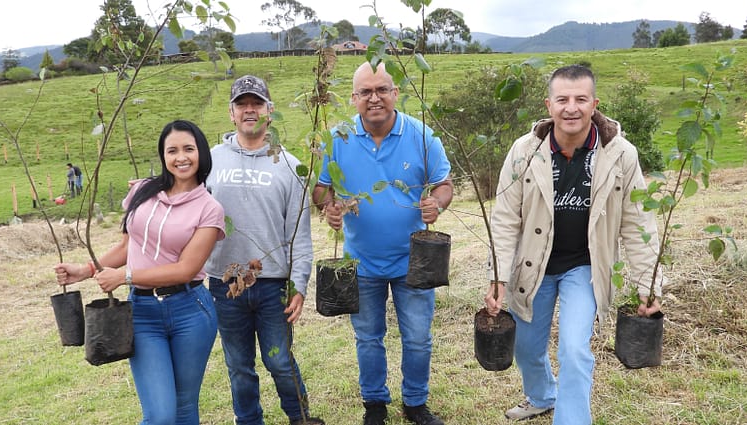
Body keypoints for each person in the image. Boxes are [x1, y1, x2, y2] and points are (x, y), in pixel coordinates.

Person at [484, 65, 664, 424]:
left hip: (586, 267)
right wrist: (498, 276)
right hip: (533, 266)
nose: (572, 108)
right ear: (548, 105)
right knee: (527, 348)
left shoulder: (620, 154)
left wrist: (648, 285)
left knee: (574, 351)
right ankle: (541, 394)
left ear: (594, 104)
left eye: (581, 99)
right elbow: (505, 218)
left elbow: (638, 222)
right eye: (563, 99)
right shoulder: (524, 152)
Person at [54, 120, 225, 425]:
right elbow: (127, 247)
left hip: (191, 312)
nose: (181, 157)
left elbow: (186, 269)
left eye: (189, 149)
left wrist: (125, 277)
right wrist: (85, 270)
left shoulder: (209, 208)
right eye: (172, 150)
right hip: (143, 313)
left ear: (201, 153)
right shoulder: (143, 192)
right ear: (163, 156)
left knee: (185, 409)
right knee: (160, 415)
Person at [312, 62, 453, 425]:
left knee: (418, 338)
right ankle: (375, 405)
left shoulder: (421, 137)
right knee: (368, 337)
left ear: (395, 93)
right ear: (354, 98)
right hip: (362, 263)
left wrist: (435, 203)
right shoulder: (337, 138)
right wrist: (329, 208)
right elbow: (321, 189)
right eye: (365, 92)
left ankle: (415, 404)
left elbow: (444, 183)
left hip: (415, 261)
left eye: (382, 90)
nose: (374, 98)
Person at [206, 75, 324, 425]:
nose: (249, 110)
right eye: (242, 104)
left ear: (269, 111)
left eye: (256, 103)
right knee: (239, 365)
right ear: (231, 113)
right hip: (224, 283)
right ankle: (248, 420)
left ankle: (300, 417)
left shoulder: (288, 166)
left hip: (273, 284)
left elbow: (299, 233)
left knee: (279, 360)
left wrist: (299, 284)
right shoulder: (210, 162)